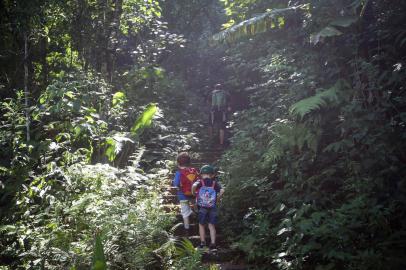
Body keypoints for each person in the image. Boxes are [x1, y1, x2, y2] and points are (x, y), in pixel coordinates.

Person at [192, 165, 224, 250]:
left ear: (201, 174)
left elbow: (194, 186)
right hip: (212, 206)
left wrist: (194, 193)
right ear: (212, 175)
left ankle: (203, 243)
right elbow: (222, 190)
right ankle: (213, 243)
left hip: (202, 206)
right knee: (211, 225)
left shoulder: (200, 182)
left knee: (201, 224)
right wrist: (217, 198)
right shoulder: (214, 183)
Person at [172, 152, 199, 235]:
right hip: (193, 194)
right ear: (189, 162)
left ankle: (187, 228)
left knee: (185, 211)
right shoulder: (193, 171)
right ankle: (198, 219)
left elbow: (175, 184)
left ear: (178, 163)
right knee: (196, 206)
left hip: (182, 195)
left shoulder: (178, 173)